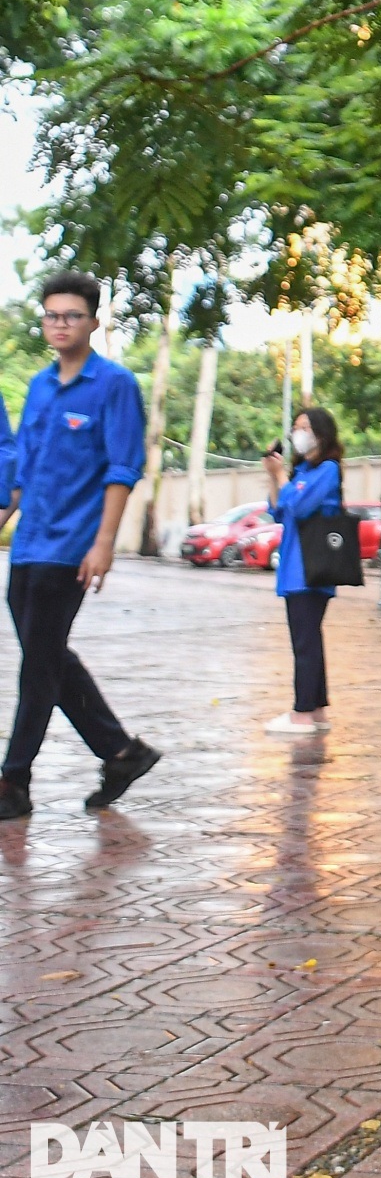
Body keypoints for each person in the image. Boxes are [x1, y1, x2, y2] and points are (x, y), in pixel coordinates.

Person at [0, 272, 161, 821]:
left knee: (39, 668)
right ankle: (121, 753)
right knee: (47, 659)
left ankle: (13, 783)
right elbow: (25, 464)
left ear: (93, 321)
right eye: (51, 315)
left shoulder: (114, 385)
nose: (60, 324)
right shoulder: (42, 385)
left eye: (71, 315)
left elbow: (122, 469)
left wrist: (105, 543)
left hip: (70, 548)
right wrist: (6, 512)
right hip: (27, 545)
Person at [263, 408, 346, 735]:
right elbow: (279, 511)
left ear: (321, 435)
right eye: (295, 428)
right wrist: (274, 475)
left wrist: (282, 477)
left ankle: (301, 715)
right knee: (310, 639)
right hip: (297, 567)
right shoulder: (301, 473)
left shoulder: (327, 470)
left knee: (304, 642)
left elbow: (299, 506)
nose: (297, 434)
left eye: (304, 428)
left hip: (309, 569)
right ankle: (317, 710)